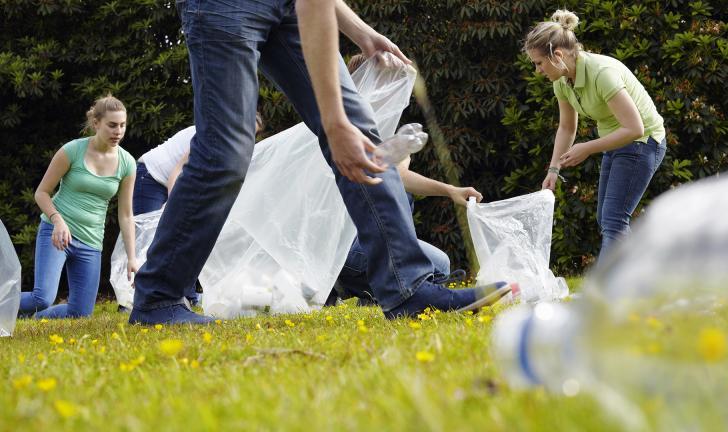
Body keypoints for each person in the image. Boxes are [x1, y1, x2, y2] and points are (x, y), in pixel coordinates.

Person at [128, 0, 512, 325]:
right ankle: (159, 297)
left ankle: (407, 289)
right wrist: (334, 124)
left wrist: (360, 32)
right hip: (223, 7)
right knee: (225, 155)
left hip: (291, 6)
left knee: (362, 134)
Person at [328, 54, 483, 306]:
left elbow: (400, 177)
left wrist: (450, 190)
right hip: (341, 244)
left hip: (356, 239)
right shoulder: (344, 128)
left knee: (439, 263)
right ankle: (347, 283)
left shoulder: (384, 127)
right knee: (435, 265)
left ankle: (369, 290)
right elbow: (389, 174)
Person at [525, 9, 666, 260]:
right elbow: (567, 127)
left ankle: (610, 291)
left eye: (538, 63)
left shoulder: (602, 73)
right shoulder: (562, 80)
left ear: (557, 55)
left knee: (613, 219)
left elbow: (635, 128)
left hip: (643, 141)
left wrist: (588, 147)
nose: (538, 71)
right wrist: (553, 169)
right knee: (606, 217)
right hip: (616, 141)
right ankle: (632, 277)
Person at [19, 95, 137, 319]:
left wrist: (132, 257)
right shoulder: (72, 151)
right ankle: (31, 308)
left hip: (91, 241)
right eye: (112, 125)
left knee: (80, 313)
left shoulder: (127, 163)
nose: (118, 131)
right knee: (42, 297)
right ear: (96, 123)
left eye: (122, 125)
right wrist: (57, 220)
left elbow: (126, 215)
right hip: (56, 233)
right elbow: (41, 193)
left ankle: (35, 318)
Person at [129, 114, 264, 308]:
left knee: (186, 236)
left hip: (172, 180)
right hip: (151, 176)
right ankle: (134, 298)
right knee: (149, 240)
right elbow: (177, 172)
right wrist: (174, 207)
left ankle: (188, 296)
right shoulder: (210, 133)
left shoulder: (232, 145)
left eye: (254, 133)